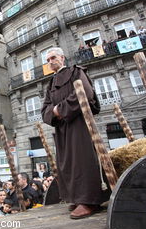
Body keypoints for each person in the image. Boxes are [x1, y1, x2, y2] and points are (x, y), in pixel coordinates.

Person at [41, 47, 110, 219]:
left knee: (82, 159)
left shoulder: (76, 72)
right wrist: (55, 112)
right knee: (66, 163)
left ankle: (89, 201)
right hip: (61, 127)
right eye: (47, 60)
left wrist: (59, 109)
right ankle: (76, 197)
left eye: (53, 58)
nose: (50, 62)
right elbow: (44, 110)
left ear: (62, 58)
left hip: (79, 122)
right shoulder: (50, 83)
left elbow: (85, 92)